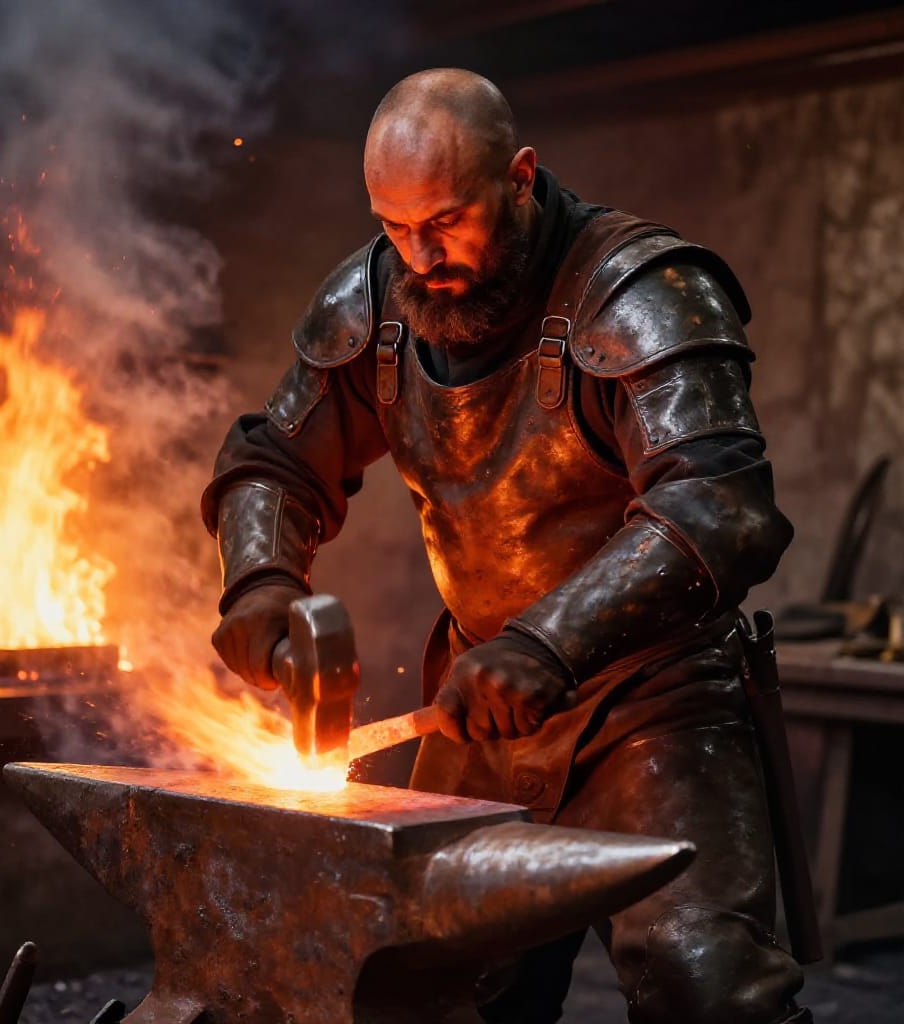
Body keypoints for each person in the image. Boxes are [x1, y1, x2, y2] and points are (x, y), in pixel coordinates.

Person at [202, 68, 810, 1024]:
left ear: (519, 178)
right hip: (479, 716)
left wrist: (548, 642)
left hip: (653, 708)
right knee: (420, 991)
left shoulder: (640, 291)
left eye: (444, 221)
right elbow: (274, 460)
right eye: (394, 225)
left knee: (709, 991)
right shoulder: (379, 300)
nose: (418, 253)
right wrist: (261, 582)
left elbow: (719, 505)